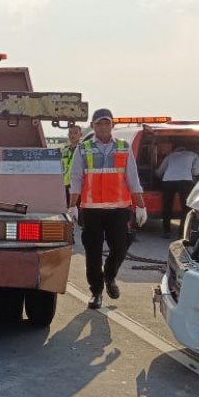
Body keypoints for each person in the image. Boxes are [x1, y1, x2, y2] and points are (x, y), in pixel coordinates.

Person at [67, 108, 147, 310]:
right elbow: (76, 179)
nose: (103, 127)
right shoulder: (83, 149)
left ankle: (109, 276)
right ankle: (96, 292)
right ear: (93, 126)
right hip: (92, 210)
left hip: (118, 209)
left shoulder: (123, 147)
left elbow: (133, 179)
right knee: (92, 252)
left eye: (106, 123)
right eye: (99, 124)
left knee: (120, 247)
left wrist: (141, 206)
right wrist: (72, 206)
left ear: (112, 125)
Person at [155, 138, 199, 237]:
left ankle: (166, 231)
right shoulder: (194, 155)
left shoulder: (170, 156)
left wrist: (155, 175)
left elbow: (160, 172)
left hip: (168, 181)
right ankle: (182, 233)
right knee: (185, 208)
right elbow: (196, 172)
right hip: (185, 181)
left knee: (167, 206)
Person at [61, 123, 82, 204]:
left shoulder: (83, 150)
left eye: (75, 133)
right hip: (66, 185)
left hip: (79, 186)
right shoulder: (64, 150)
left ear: (80, 135)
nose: (72, 135)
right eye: (70, 133)